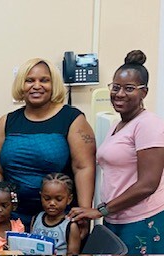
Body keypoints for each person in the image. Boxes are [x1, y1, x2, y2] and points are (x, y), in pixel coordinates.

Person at [0, 58, 96, 234]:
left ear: (54, 84)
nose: (37, 86)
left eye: (44, 80)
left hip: (58, 221)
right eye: (30, 80)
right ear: (21, 84)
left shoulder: (72, 119)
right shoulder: (7, 122)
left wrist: (83, 213)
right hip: (11, 219)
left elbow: (84, 168)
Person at [69, 50, 164, 255]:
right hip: (116, 217)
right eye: (116, 87)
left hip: (141, 220)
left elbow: (148, 184)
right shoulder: (117, 124)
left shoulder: (148, 125)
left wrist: (101, 210)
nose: (119, 94)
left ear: (144, 92)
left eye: (129, 88)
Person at [31, 173, 80, 255]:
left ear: (69, 199)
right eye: (47, 198)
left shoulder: (70, 226)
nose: (52, 203)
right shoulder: (36, 218)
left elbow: (72, 253)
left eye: (58, 199)